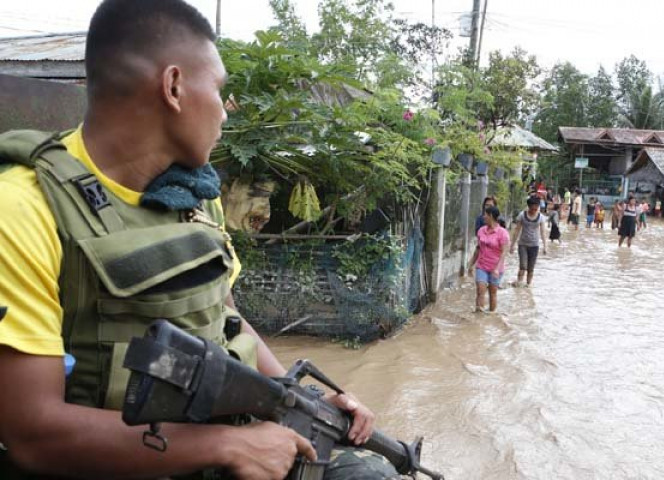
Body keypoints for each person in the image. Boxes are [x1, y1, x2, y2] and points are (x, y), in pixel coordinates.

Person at [0, 2, 394, 479]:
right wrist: (227, 445)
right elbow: (33, 434)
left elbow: (224, 316)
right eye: (220, 88)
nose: (226, 111)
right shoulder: (22, 209)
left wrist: (300, 401)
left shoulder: (191, 196)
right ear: (174, 86)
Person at [467, 206, 510, 312]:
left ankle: (491, 315)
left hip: (496, 268)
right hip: (482, 266)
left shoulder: (502, 233)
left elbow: (504, 253)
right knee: (480, 290)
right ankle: (479, 317)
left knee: (492, 292)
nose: (483, 217)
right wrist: (471, 264)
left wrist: (496, 268)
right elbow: (478, 248)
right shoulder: (481, 231)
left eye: (485, 214)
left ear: (491, 216)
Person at [510, 196, 548, 287]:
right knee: (523, 266)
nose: (534, 210)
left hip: (534, 245)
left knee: (531, 269)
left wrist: (545, 246)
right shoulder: (522, 215)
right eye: (532, 208)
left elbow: (543, 232)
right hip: (523, 244)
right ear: (529, 206)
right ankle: (519, 285)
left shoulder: (541, 217)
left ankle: (528, 286)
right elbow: (517, 230)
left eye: (536, 208)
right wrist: (512, 245)